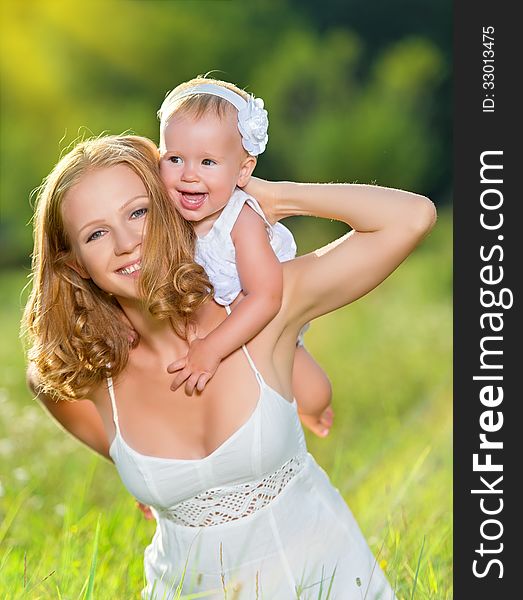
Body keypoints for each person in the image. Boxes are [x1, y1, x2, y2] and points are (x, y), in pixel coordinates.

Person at [23, 134, 436, 599]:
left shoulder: (260, 311)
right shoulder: (91, 378)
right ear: (75, 264)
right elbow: (44, 381)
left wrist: (269, 196)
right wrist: (150, 480)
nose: (125, 243)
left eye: (138, 212)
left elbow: (411, 217)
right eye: (95, 233)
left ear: (174, 208)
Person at [157, 77, 333, 437]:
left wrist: (213, 347)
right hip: (202, 325)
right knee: (193, 390)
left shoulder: (242, 220)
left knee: (314, 392)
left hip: (265, 321)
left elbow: (266, 296)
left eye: (208, 162)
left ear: (242, 171)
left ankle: (312, 413)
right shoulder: (167, 214)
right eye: (174, 158)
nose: (189, 175)